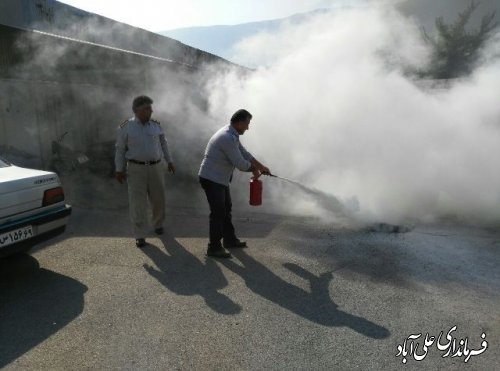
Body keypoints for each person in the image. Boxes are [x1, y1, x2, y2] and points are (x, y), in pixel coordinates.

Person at [198, 109, 270, 258]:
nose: (248, 128)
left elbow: (245, 154)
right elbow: (240, 163)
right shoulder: (227, 137)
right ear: (239, 122)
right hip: (211, 179)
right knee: (218, 212)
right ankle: (214, 247)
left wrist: (261, 167)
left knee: (226, 208)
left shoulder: (232, 134)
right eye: (247, 124)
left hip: (220, 179)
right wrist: (254, 170)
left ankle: (229, 240)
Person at [115, 95, 175, 248]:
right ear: (137, 110)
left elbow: (164, 143)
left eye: (151, 108)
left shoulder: (156, 125)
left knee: (158, 198)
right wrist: (119, 169)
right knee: (137, 202)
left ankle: (158, 224)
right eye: (147, 108)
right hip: (136, 169)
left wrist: (169, 160)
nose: (151, 111)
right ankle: (140, 234)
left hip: (156, 167)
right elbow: (120, 150)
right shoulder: (126, 127)